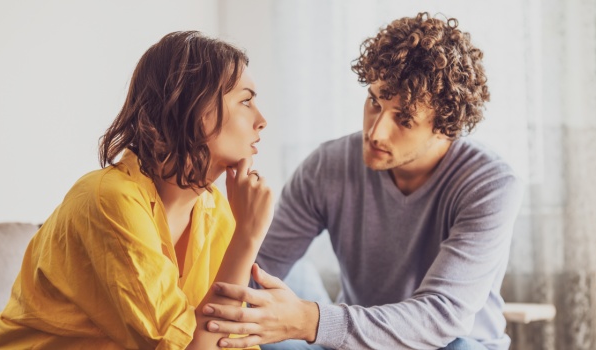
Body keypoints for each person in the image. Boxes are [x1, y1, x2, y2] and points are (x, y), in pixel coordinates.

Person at [199, 12, 524, 350]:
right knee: (262, 294)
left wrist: (311, 320)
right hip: (354, 342)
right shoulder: (328, 165)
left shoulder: (490, 184)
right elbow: (256, 272)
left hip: (452, 344)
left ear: (446, 128)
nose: (374, 131)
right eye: (375, 101)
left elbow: (441, 317)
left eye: (404, 119)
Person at [0, 31, 273, 350]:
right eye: (245, 101)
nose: (261, 120)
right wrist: (247, 236)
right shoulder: (109, 199)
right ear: (193, 108)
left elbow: (231, 343)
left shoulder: (216, 209)